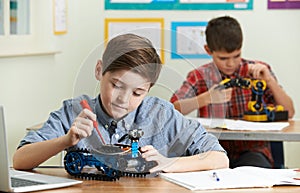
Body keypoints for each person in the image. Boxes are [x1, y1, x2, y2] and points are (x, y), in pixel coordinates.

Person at [13, 33, 229, 173]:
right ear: (99, 71)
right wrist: (65, 140)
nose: (123, 100)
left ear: (149, 89)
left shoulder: (162, 114)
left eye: (137, 92)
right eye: (116, 85)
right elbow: (20, 160)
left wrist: (169, 163)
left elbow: (220, 159)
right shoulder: (74, 111)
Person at [170, 16, 295, 168]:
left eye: (236, 56)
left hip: (252, 151)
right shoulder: (200, 75)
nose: (230, 63)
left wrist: (270, 80)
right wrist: (205, 98)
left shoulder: (259, 70)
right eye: (223, 58)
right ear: (208, 50)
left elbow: (289, 112)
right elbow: (172, 109)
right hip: (212, 151)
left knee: (254, 178)